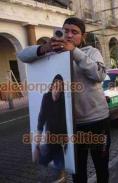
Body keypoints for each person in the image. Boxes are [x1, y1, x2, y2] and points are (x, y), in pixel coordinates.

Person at [17, 17, 110, 183]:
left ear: (83, 36)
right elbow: (22, 55)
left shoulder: (90, 52)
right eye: (65, 30)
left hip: (97, 121)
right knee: (77, 171)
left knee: (101, 166)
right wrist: (44, 48)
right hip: (72, 125)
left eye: (74, 32)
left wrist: (74, 52)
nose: (69, 34)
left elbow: (100, 74)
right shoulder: (52, 54)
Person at [34, 74, 67, 182]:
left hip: (61, 142)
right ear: (52, 86)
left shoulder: (64, 100)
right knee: (40, 162)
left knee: (60, 171)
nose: (58, 89)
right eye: (56, 86)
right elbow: (41, 120)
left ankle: (61, 177)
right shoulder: (46, 97)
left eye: (61, 87)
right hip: (49, 140)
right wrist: (37, 145)